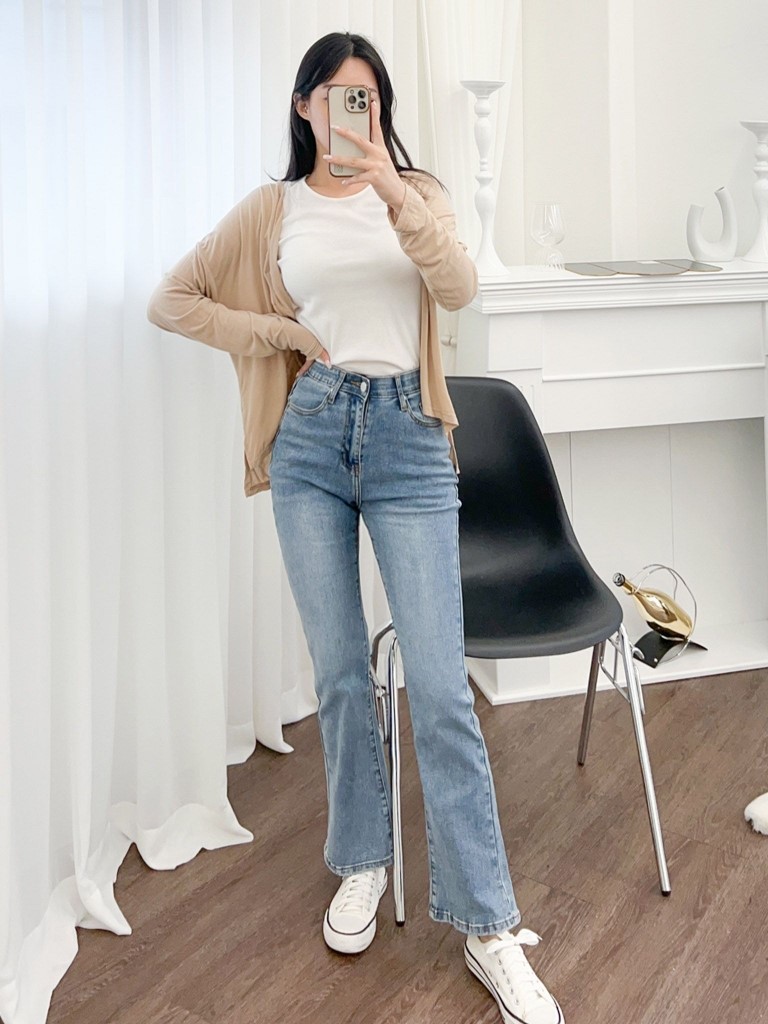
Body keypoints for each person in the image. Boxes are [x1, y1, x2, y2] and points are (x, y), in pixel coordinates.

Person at [147, 30, 564, 1024]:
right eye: (337, 96)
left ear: (381, 109)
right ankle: (362, 859)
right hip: (312, 438)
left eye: (367, 97)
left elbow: (459, 287)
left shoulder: (416, 193)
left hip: (411, 442)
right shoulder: (273, 210)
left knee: (441, 688)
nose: (353, 111)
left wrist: (389, 187)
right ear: (304, 107)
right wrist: (281, 333)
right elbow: (173, 300)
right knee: (340, 675)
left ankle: (489, 925)